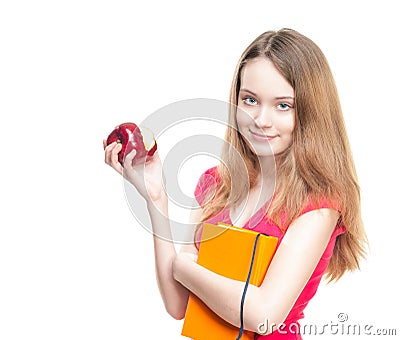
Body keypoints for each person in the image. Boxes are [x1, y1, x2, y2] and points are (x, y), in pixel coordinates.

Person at [104, 28, 368, 339]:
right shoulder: (216, 184)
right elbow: (179, 305)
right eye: (250, 100)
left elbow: (263, 315)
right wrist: (156, 199)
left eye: (283, 105)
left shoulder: (319, 205)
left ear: (311, 112)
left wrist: (184, 267)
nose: (261, 119)